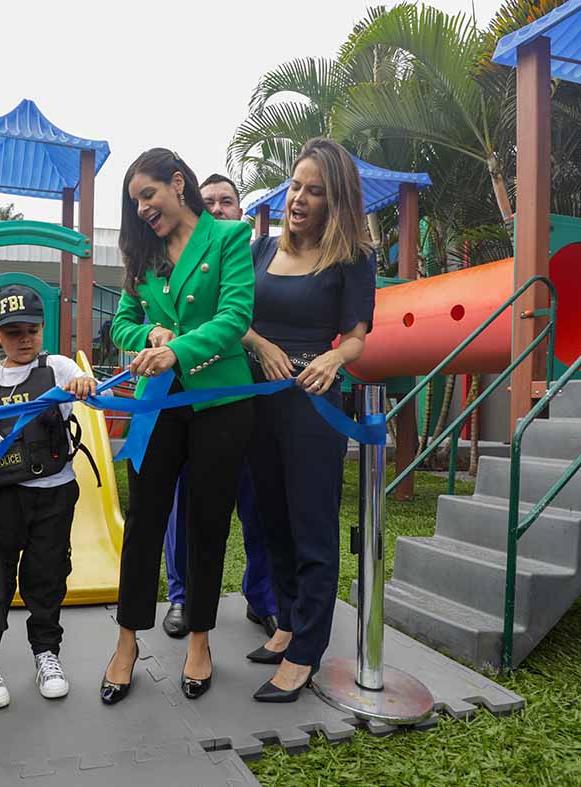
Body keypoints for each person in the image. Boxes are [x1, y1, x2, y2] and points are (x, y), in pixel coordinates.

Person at [101, 149, 255, 705]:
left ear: (178, 183)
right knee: (143, 520)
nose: (142, 209)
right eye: (134, 201)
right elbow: (121, 322)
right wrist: (150, 338)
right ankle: (126, 642)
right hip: (157, 406)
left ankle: (199, 639)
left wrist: (179, 350)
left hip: (221, 403)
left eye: (149, 195)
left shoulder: (230, 238)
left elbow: (235, 317)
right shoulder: (142, 254)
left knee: (207, 522)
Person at [244, 138, 376, 703]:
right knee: (270, 518)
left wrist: (332, 356)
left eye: (314, 191)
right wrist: (259, 343)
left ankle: (305, 653)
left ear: (335, 200)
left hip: (313, 401)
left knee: (311, 524)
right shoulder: (259, 250)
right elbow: (235, 317)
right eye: (296, 186)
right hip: (256, 395)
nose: (299, 198)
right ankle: (287, 621)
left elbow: (357, 337)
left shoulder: (352, 258)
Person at [0, 284, 97, 709]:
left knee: (47, 577)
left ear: (43, 329)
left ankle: (47, 654)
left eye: (31, 329)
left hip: (55, 494)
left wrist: (86, 383)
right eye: (13, 332)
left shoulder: (59, 367)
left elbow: (102, 395)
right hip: (2, 498)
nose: (23, 339)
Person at [160, 173, 280, 640]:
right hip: (195, 398)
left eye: (226, 201)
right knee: (186, 501)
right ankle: (182, 597)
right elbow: (223, 320)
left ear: (240, 212)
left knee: (258, 499)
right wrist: (258, 341)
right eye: (206, 201)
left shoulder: (264, 257)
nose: (216, 208)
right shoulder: (177, 258)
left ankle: (263, 598)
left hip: (252, 397)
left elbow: (243, 311)